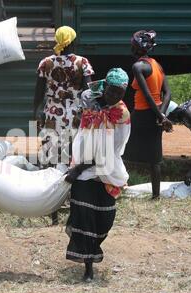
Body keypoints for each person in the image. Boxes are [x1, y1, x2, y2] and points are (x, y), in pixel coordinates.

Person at [65, 68, 131, 282]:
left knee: (104, 218)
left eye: (120, 93)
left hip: (107, 168)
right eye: (112, 91)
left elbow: (116, 146)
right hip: (84, 168)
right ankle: (88, 267)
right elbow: (83, 131)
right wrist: (80, 165)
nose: (115, 97)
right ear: (105, 88)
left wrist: (92, 161)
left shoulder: (122, 113)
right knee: (85, 217)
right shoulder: (89, 100)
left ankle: (92, 248)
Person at [34, 26, 94, 225]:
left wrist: (36, 112)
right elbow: (89, 92)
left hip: (52, 114)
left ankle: (52, 210)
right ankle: (72, 203)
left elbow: (38, 92)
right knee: (73, 157)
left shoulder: (46, 63)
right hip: (75, 115)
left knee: (52, 157)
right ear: (73, 41)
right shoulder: (82, 63)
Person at [122, 30, 172, 199]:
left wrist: (160, 116)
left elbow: (147, 95)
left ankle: (118, 187)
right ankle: (156, 196)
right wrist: (162, 115)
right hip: (156, 114)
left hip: (142, 114)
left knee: (121, 150)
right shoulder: (157, 65)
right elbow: (168, 93)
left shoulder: (137, 66)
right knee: (154, 158)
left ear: (136, 48)